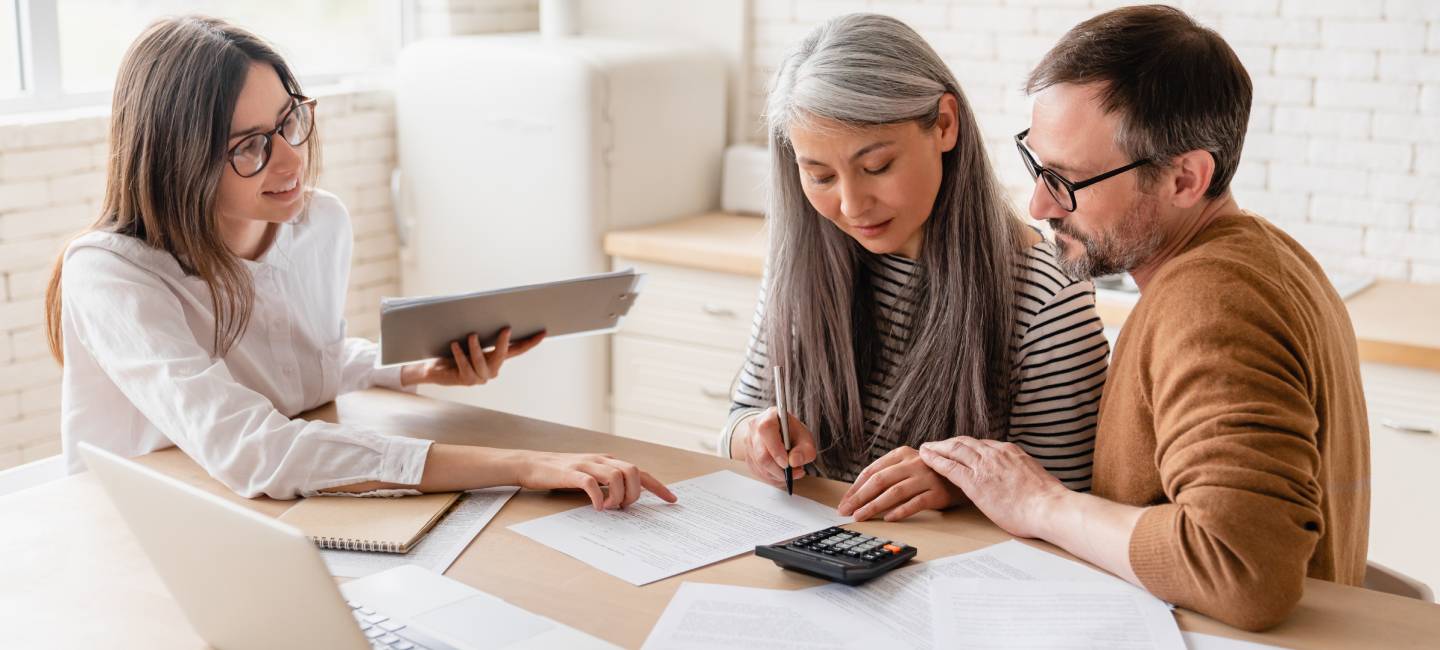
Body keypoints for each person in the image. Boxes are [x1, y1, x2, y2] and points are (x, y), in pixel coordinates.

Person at [44, 15, 676, 510]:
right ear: (176, 159)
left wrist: (414, 369)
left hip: (259, 510)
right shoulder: (111, 274)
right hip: (137, 520)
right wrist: (523, 465)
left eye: (290, 121)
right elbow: (254, 448)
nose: (291, 159)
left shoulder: (318, 223)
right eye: (250, 147)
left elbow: (302, 369)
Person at [918, 5, 1369, 631]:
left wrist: (1041, 503)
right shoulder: (1269, 257)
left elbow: (1244, 569)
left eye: (1068, 179)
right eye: (1037, 165)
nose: (1039, 203)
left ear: (1186, 179)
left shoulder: (1211, 302)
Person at [718, 13, 1109, 523]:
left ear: (944, 124)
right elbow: (738, 419)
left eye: (876, 167)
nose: (852, 205)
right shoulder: (800, 260)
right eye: (820, 176)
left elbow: (1066, 503)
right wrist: (755, 437)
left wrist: (958, 484)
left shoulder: (1047, 295)